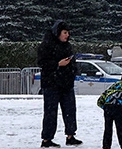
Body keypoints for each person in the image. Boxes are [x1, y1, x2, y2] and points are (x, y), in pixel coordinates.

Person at [37, 19, 82, 147]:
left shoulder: (67, 46)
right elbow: (42, 63)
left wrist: (73, 70)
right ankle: (47, 139)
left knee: (70, 110)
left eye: (68, 33)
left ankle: (71, 135)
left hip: (66, 83)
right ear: (58, 32)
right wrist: (57, 64)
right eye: (64, 32)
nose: (67, 35)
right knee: (51, 112)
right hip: (51, 84)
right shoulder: (46, 45)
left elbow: (73, 62)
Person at [96, 80, 122, 149]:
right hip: (118, 108)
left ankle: (106, 145)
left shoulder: (109, 90)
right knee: (121, 128)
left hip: (108, 107)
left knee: (108, 128)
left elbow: (99, 101)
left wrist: (104, 107)